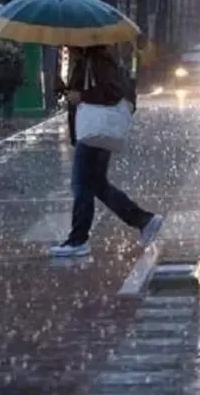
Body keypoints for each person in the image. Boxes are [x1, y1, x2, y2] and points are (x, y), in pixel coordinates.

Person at [49, 45, 164, 257]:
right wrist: (64, 88)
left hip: (95, 129)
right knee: (97, 184)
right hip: (93, 130)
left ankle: (78, 239)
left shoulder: (98, 59)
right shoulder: (85, 60)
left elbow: (112, 92)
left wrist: (82, 96)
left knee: (81, 184)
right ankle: (143, 220)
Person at [0, 40, 23, 119]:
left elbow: (19, 61)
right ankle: (6, 120)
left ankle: (6, 120)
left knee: (8, 99)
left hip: (9, 77)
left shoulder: (15, 47)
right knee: (7, 99)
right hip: (6, 77)